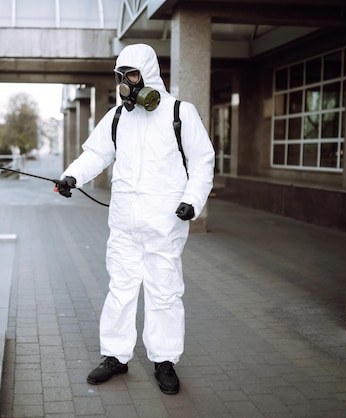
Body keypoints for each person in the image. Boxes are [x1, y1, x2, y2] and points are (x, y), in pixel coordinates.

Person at [57, 43, 215, 395]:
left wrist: (192, 199)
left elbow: (203, 160)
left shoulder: (179, 112)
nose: (124, 84)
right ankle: (116, 356)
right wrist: (72, 177)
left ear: (148, 74)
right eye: (120, 77)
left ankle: (165, 360)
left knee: (165, 293)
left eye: (130, 75)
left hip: (165, 224)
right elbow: (96, 153)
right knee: (121, 289)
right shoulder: (117, 117)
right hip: (124, 223)